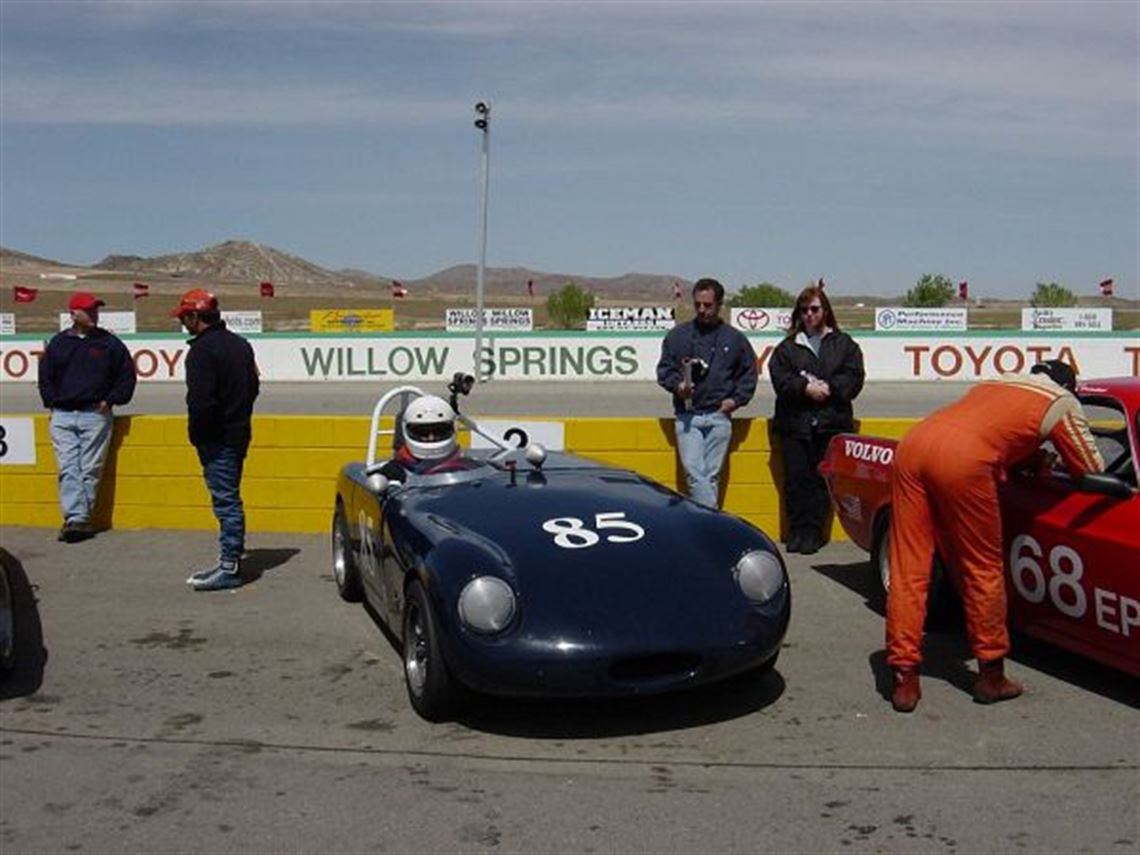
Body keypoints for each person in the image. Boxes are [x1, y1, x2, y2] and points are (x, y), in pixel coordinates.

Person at [886, 360, 1104, 713]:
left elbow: (995, 429)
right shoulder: (1061, 399)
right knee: (982, 569)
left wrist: (1026, 456)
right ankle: (991, 676)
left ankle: (904, 677)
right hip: (962, 460)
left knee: (908, 568)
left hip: (914, 444)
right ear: (1069, 385)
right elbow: (1091, 469)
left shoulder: (998, 383)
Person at [171, 289, 260, 592]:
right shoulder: (241, 345)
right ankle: (227, 560)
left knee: (226, 502)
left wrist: (198, 434)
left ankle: (229, 566)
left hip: (216, 439)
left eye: (185, 317)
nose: (183, 323)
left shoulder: (202, 352)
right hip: (238, 433)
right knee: (228, 498)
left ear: (196, 316)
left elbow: (201, 402)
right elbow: (253, 388)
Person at [769, 285, 864, 554]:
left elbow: (854, 377)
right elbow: (781, 379)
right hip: (795, 425)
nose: (809, 314)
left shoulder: (844, 344)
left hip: (831, 424)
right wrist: (804, 388)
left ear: (825, 311)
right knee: (796, 480)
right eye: (804, 310)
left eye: (814, 309)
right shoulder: (787, 348)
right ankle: (797, 531)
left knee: (821, 481)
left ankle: (814, 532)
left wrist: (829, 389)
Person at [38, 291, 137, 543]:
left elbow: (126, 375)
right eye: (88, 310)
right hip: (63, 414)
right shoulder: (58, 344)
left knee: (90, 468)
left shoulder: (109, 343)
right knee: (69, 467)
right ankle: (78, 518)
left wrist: (111, 399)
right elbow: (45, 377)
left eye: (95, 309)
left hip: (95, 413)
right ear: (73, 314)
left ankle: (77, 519)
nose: (94, 314)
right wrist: (51, 402)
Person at [656, 278, 758, 508]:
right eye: (698, 304)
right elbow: (664, 370)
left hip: (719, 416)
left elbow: (749, 374)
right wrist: (678, 386)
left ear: (719, 304)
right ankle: (713, 521)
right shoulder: (677, 336)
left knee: (711, 477)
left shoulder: (735, 339)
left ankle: (705, 526)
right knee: (694, 473)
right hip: (688, 416)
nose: (702, 310)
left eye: (708, 305)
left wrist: (736, 400)